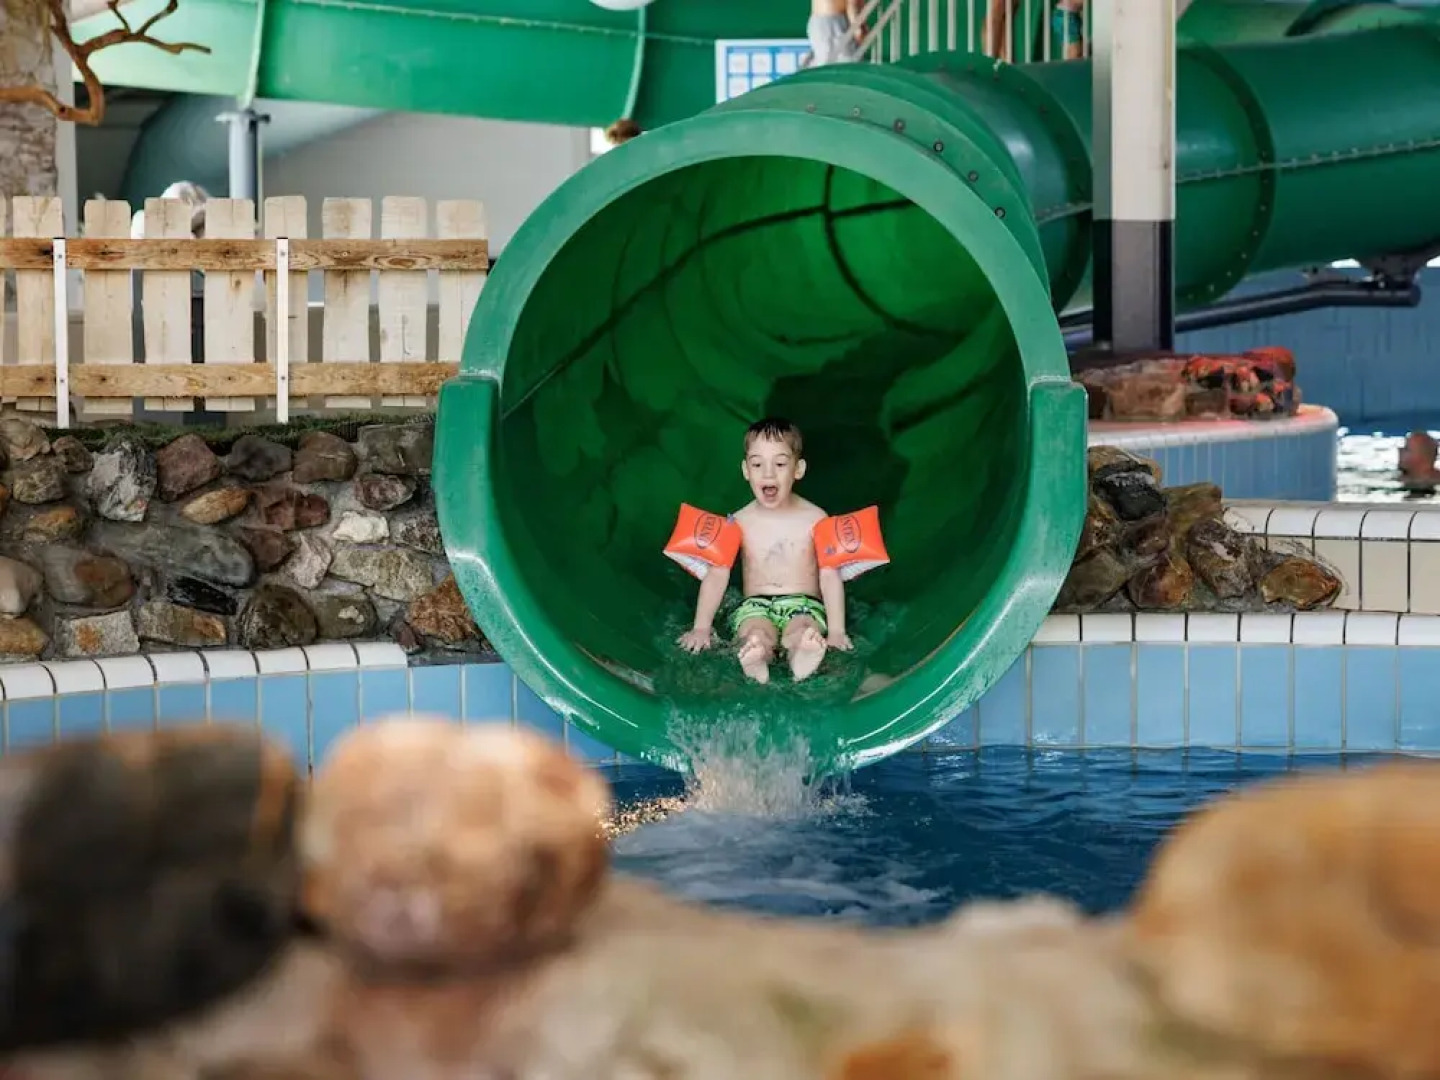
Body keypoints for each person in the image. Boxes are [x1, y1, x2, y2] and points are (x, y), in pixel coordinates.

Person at [677, 418, 853, 684]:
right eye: (758, 464)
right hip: (754, 605)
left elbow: (830, 575)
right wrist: (701, 627)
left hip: (803, 604)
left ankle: (802, 658)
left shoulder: (817, 519)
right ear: (746, 470)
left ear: (798, 469)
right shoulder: (738, 521)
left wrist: (837, 631)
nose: (768, 474)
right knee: (755, 634)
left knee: (804, 631)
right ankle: (756, 660)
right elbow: (717, 574)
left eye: (780, 464)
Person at [807, 0, 864, 67]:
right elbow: (852, 4)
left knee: (825, 65)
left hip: (817, 22)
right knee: (848, 66)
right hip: (833, 23)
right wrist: (859, 31)